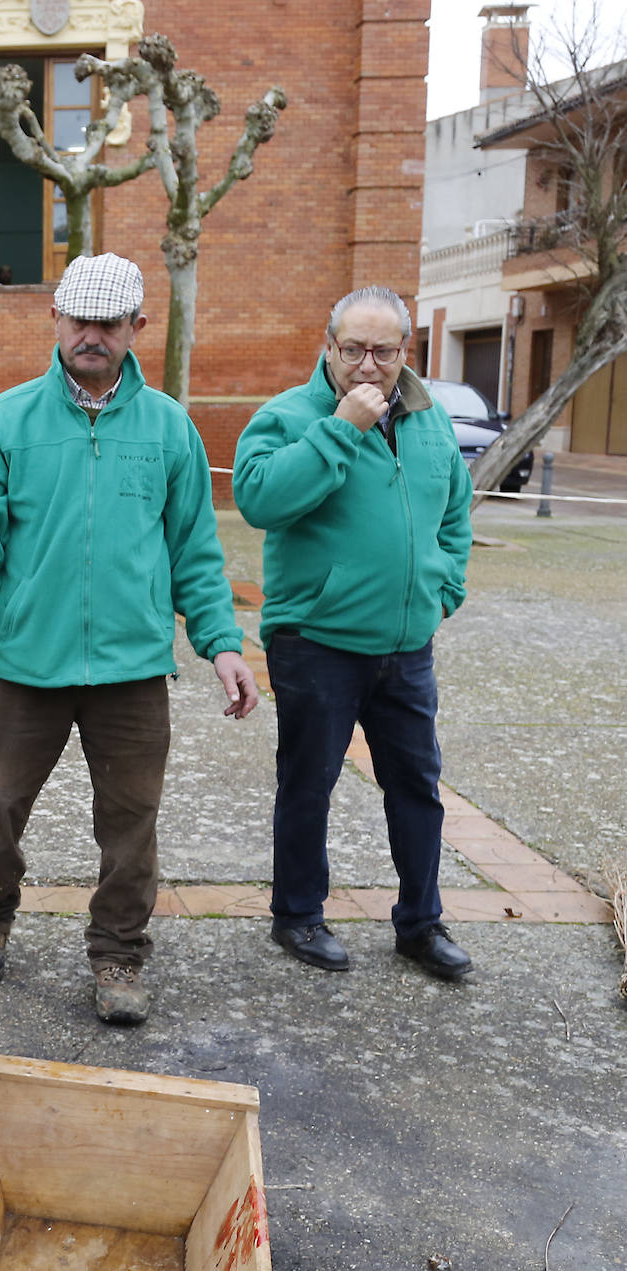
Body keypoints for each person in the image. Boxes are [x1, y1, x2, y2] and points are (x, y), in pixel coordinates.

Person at [0, 253, 258, 1027]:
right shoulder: (7, 420)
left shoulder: (170, 427)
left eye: (109, 324)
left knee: (131, 823)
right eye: (80, 320)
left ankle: (119, 954)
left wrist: (223, 645)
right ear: (56, 319)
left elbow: (194, 556)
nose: (92, 336)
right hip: (21, 665)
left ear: (138, 328)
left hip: (131, 670)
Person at [232, 285, 474, 981]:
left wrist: (443, 587)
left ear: (406, 351)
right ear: (328, 345)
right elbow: (261, 498)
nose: (368, 365)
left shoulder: (429, 421)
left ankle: (421, 924)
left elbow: (455, 510)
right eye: (353, 349)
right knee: (309, 783)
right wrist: (341, 427)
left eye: (384, 350)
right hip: (316, 640)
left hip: (406, 646)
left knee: (418, 785)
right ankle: (299, 915)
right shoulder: (287, 415)